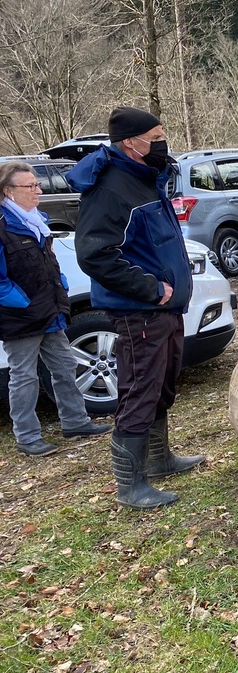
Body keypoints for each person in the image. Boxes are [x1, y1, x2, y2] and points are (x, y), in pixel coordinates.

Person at [66, 107, 205, 510]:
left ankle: (159, 458)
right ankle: (131, 484)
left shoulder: (145, 177)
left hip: (165, 310)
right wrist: (151, 289)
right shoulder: (111, 189)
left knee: (162, 383)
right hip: (139, 311)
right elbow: (94, 255)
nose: (162, 141)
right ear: (131, 142)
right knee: (139, 389)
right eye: (156, 135)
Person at [0, 162, 110, 456]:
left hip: (49, 310)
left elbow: (49, 263)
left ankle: (75, 421)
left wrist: (57, 287)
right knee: (24, 376)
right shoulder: (2, 226)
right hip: (20, 317)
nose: (39, 190)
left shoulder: (36, 221)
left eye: (37, 184)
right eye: (30, 186)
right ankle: (27, 437)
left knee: (65, 366)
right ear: (8, 191)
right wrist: (23, 303)